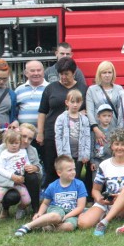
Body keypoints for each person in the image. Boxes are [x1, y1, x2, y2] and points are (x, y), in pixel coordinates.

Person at [78, 129, 124, 236]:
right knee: (83, 224)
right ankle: (79, 215)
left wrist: (120, 196)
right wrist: (99, 199)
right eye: (116, 144)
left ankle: (104, 222)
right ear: (111, 146)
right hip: (108, 203)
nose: (119, 147)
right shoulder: (104, 164)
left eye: (123, 144)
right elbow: (96, 190)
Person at [37, 57, 88, 186]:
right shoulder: (50, 88)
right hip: (51, 134)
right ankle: (51, 193)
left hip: (74, 136)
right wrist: (40, 132)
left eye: (67, 74)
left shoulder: (83, 88)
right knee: (52, 167)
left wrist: (83, 112)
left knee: (71, 168)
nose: (63, 77)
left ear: (74, 72)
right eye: (61, 74)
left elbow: (88, 109)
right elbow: (42, 111)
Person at [14, 155, 87, 236]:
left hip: (72, 212)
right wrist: (40, 213)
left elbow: (80, 207)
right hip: (56, 209)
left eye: (74, 169)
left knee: (69, 226)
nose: (73, 172)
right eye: (69, 170)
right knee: (56, 216)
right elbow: (45, 203)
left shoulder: (79, 184)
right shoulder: (52, 186)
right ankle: (28, 226)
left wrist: (66, 216)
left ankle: (46, 228)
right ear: (59, 173)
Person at [0, 123, 42, 217]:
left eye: (30, 138)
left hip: (23, 182)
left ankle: (35, 211)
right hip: (5, 182)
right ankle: (5, 208)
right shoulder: (2, 149)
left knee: (33, 176)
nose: (26, 141)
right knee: (12, 197)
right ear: (17, 134)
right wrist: (13, 180)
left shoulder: (32, 150)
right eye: (24, 136)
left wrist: (36, 168)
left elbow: (40, 174)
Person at [0, 130, 31, 224]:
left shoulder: (23, 152)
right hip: (5, 182)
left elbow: (26, 162)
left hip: (19, 182)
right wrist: (11, 176)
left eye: (16, 143)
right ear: (6, 143)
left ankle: (20, 209)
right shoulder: (4, 154)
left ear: (19, 143)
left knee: (27, 200)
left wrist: (28, 166)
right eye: (11, 143)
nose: (14, 145)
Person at [55, 89, 92, 194]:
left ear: (81, 103)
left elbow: (87, 137)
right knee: (67, 174)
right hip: (66, 152)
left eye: (78, 102)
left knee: (77, 175)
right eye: (72, 102)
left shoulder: (84, 119)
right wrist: (60, 154)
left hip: (79, 153)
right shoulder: (61, 118)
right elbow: (58, 137)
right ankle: (65, 193)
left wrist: (86, 154)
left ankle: (77, 195)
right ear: (67, 102)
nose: (75, 105)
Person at [86, 61, 123, 148]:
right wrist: (96, 129)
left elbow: (121, 112)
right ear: (99, 74)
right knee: (99, 153)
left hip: (114, 128)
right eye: (104, 72)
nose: (107, 75)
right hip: (98, 128)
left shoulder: (119, 89)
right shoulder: (92, 90)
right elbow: (90, 111)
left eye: (109, 72)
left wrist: (119, 130)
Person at [15, 60, 48, 127]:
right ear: (26, 73)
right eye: (32, 71)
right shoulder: (19, 90)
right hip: (24, 134)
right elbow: (13, 111)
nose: (36, 73)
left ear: (43, 72)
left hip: (46, 132)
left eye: (39, 70)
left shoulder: (50, 88)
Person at [91, 104, 115, 179]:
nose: (107, 118)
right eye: (104, 116)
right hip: (97, 161)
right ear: (98, 117)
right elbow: (91, 146)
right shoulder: (95, 131)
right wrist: (92, 161)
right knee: (96, 180)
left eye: (109, 116)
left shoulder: (114, 131)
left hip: (111, 160)